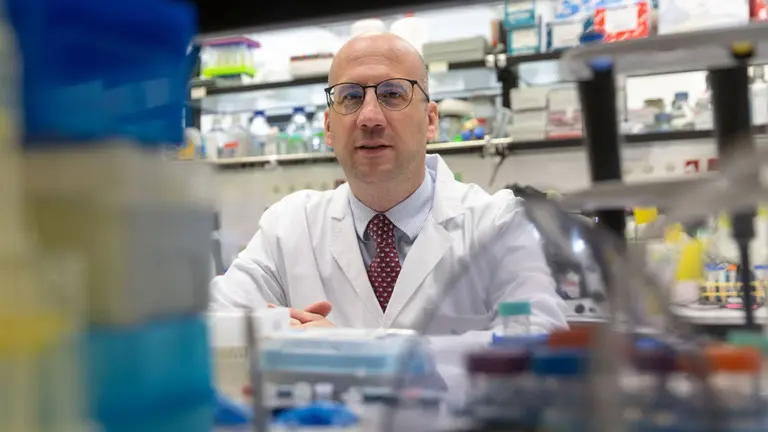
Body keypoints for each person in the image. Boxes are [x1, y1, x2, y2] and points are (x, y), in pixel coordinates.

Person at [211, 33, 568, 337]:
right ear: (329, 128)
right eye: (350, 97)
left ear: (430, 121)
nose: (369, 117)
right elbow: (208, 320)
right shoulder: (288, 227)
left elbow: (539, 338)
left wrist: (357, 349)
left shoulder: (498, 225)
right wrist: (275, 329)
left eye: (392, 94)